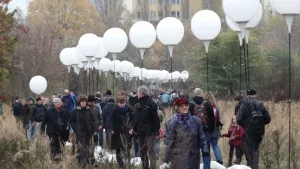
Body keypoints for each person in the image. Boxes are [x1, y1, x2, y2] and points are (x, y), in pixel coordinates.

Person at [163, 98, 210, 169]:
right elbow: (168, 141)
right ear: (177, 108)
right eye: (181, 106)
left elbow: (201, 138)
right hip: (178, 157)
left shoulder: (196, 121)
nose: (184, 107)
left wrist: (205, 151)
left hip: (193, 156)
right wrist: (166, 158)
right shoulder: (171, 123)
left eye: (186, 105)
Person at [237, 89, 271, 169]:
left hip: (248, 131)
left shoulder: (244, 105)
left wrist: (244, 125)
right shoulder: (261, 104)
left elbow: (238, 118)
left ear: (247, 95)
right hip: (259, 132)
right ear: (255, 95)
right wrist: (260, 124)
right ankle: (255, 166)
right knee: (256, 149)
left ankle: (251, 167)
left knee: (249, 150)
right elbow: (268, 119)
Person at [133, 86, 160, 169]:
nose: (137, 94)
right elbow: (136, 118)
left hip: (150, 131)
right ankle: (145, 167)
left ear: (142, 93)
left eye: (138, 92)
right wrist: (134, 128)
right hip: (141, 131)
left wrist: (156, 130)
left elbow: (155, 118)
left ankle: (152, 167)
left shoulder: (152, 103)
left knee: (150, 149)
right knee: (142, 150)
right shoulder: (137, 105)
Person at [189, 88, 214, 169]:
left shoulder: (190, 104)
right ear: (201, 93)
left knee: (193, 152)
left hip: (194, 131)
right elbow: (212, 118)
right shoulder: (207, 104)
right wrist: (211, 130)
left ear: (194, 94)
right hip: (206, 131)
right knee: (206, 152)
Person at [111, 96, 134, 169]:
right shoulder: (114, 110)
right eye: (120, 103)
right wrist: (112, 128)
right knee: (118, 148)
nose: (121, 104)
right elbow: (111, 120)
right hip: (117, 131)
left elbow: (133, 120)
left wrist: (131, 128)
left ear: (125, 102)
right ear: (117, 103)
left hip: (127, 131)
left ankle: (127, 163)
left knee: (127, 148)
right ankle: (121, 165)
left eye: (122, 103)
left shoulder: (129, 109)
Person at [70, 96, 94, 166]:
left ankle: (86, 162)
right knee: (80, 148)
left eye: (84, 101)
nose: (83, 103)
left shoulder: (89, 110)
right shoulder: (76, 111)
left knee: (87, 147)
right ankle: (80, 163)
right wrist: (75, 129)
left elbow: (92, 120)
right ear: (79, 102)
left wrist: (92, 128)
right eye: (82, 101)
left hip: (88, 132)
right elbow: (72, 121)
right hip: (79, 132)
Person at [204, 93, 224, 164]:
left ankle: (207, 161)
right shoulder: (217, 108)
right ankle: (219, 159)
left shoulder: (204, 108)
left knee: (207, 146)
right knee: (215, 145)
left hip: (207, 129)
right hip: (215, 128)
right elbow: (218, 119)